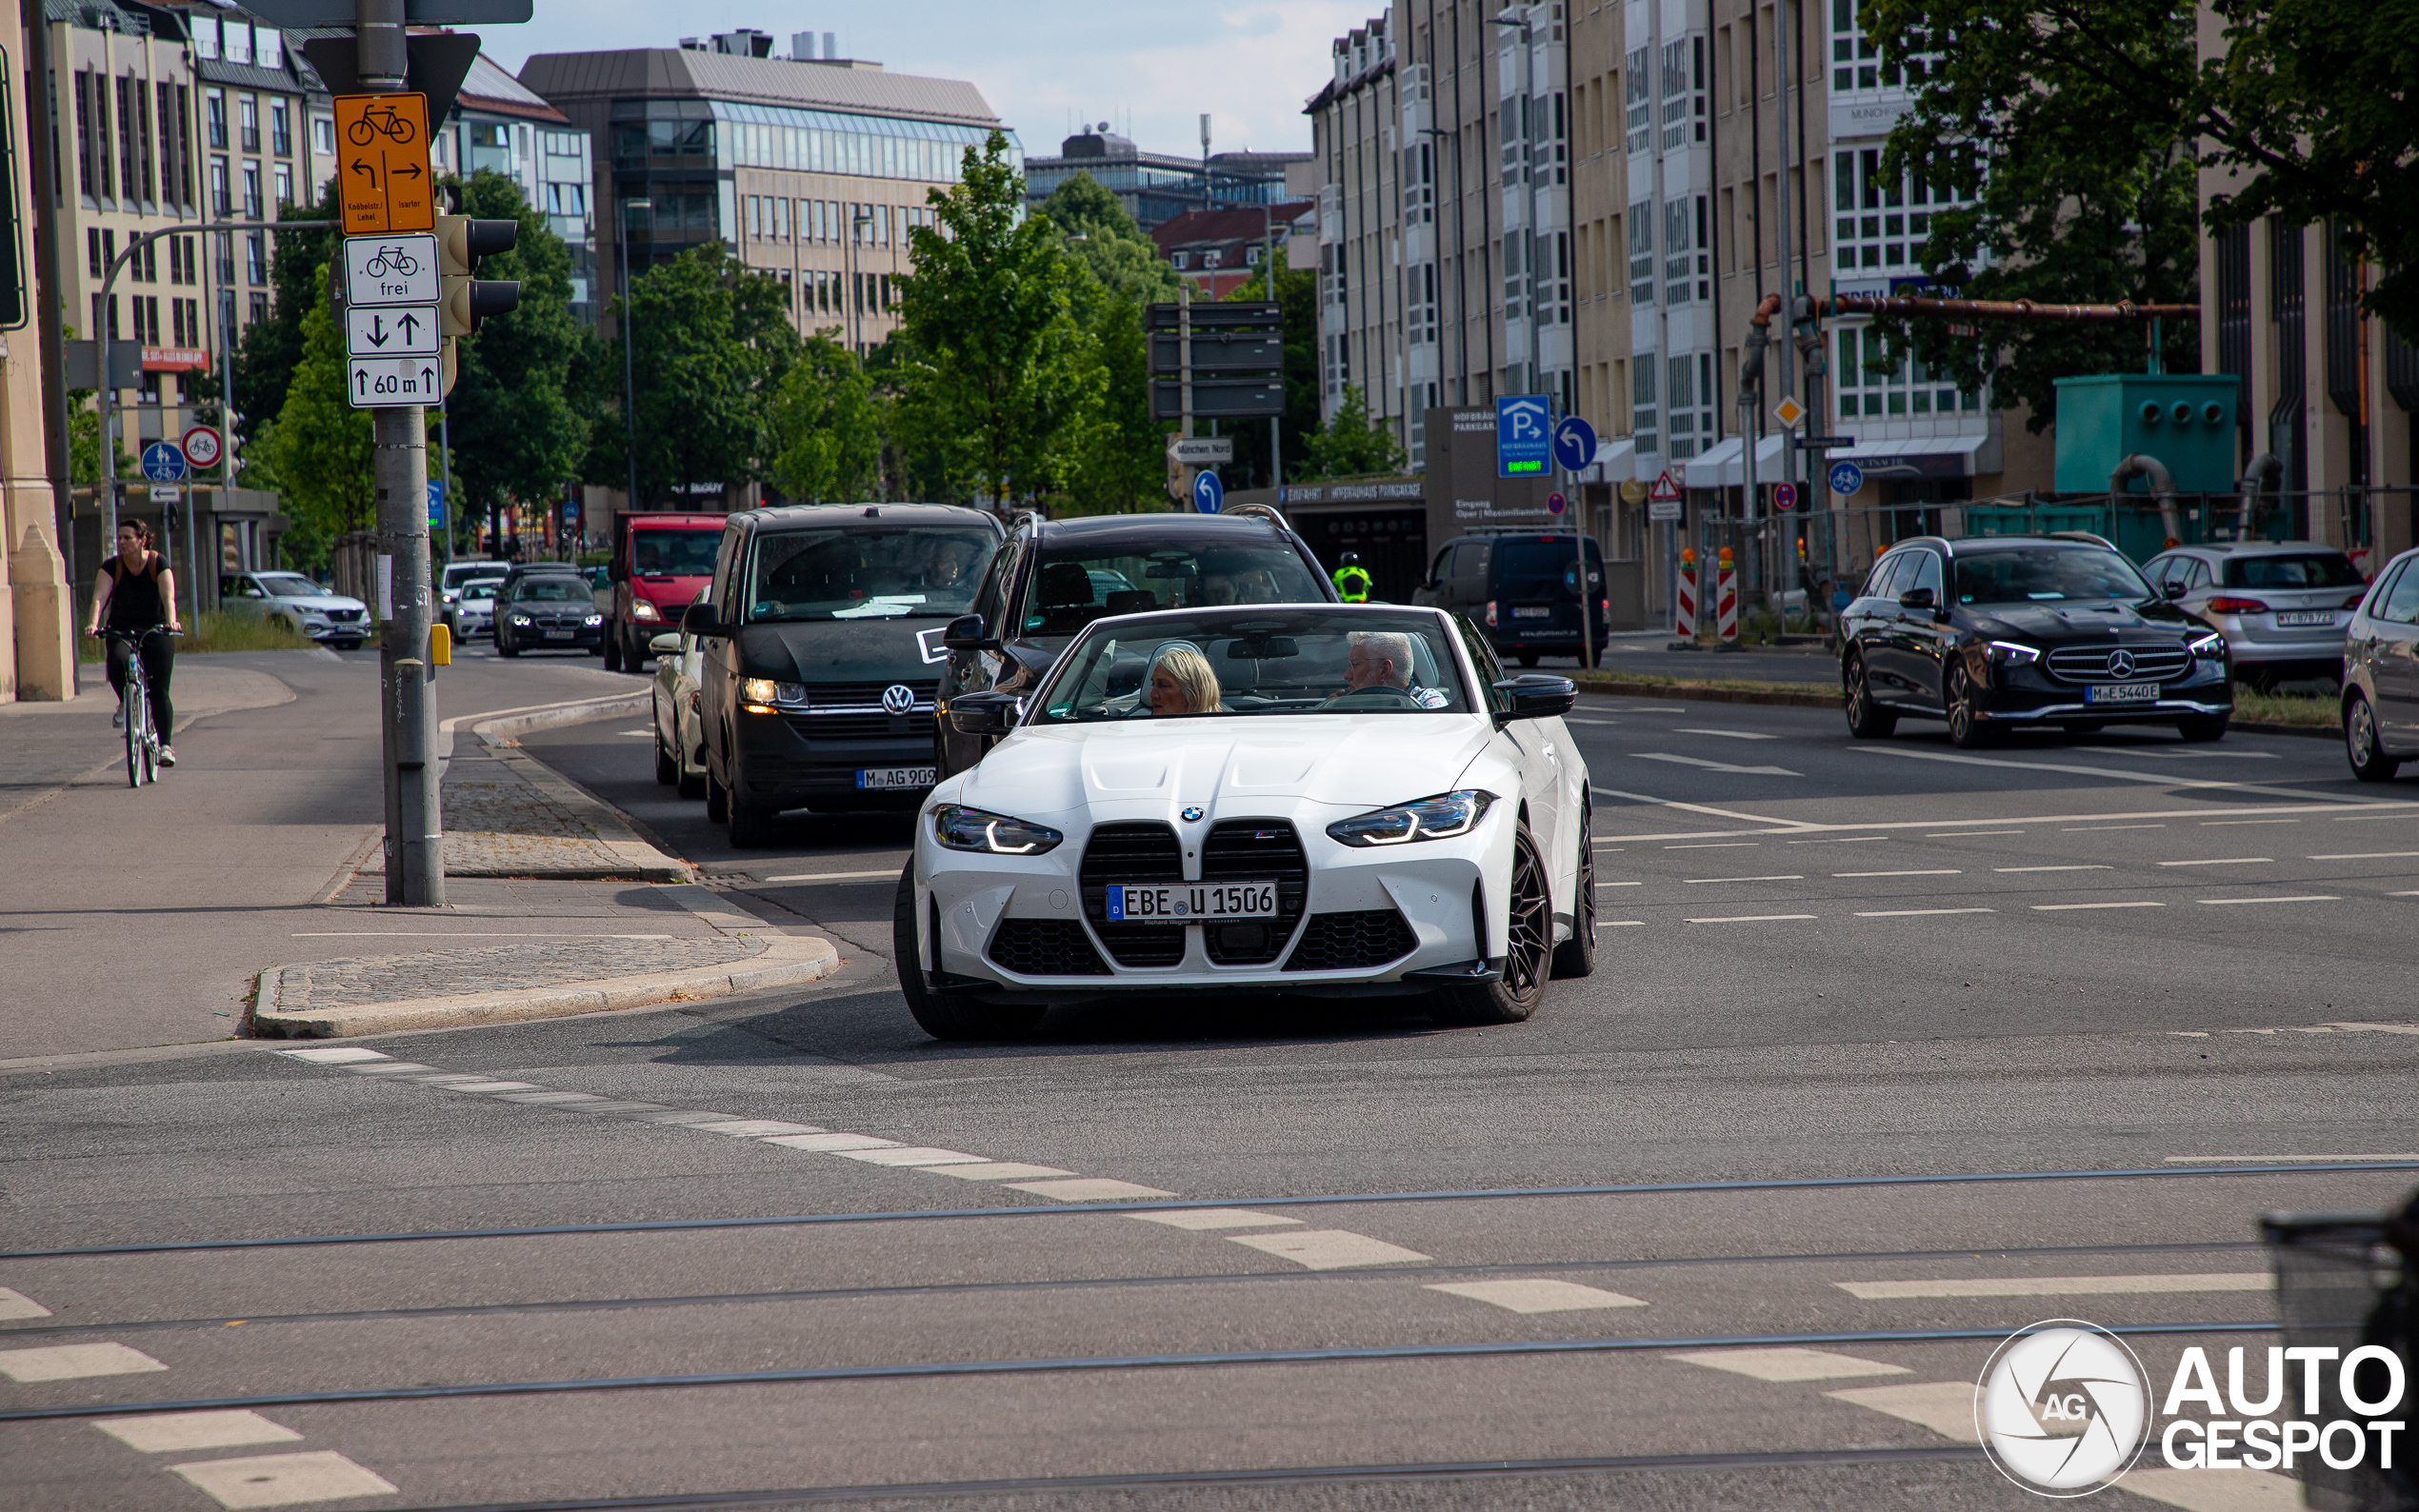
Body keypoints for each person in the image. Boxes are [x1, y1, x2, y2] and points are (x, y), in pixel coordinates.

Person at [88, 519, 182, 766]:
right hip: (122, 629)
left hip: (155, 629)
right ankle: (124, 702)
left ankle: (166, 746)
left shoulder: (157, 563)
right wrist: (93, 624)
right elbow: (99, 597)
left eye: (127, 538)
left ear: (142, 539)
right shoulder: (112, 566)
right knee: (116, 662)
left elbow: (168, 597)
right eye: (119, 538)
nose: (122, 542)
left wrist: (171, 622)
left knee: (159, 690)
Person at [1328, 629, 1449, 709]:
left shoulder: (1427, 701)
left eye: (1355, 665)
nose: (1346, 675)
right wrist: (1331, 711)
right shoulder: (1348, 704)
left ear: (1384, 670)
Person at [1147, 646, 1223, 716]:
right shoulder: (1141, 727)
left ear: (1194, 693)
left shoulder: (1224, 727)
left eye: (1163, 685)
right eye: (1153, 684)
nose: (1152, 695)